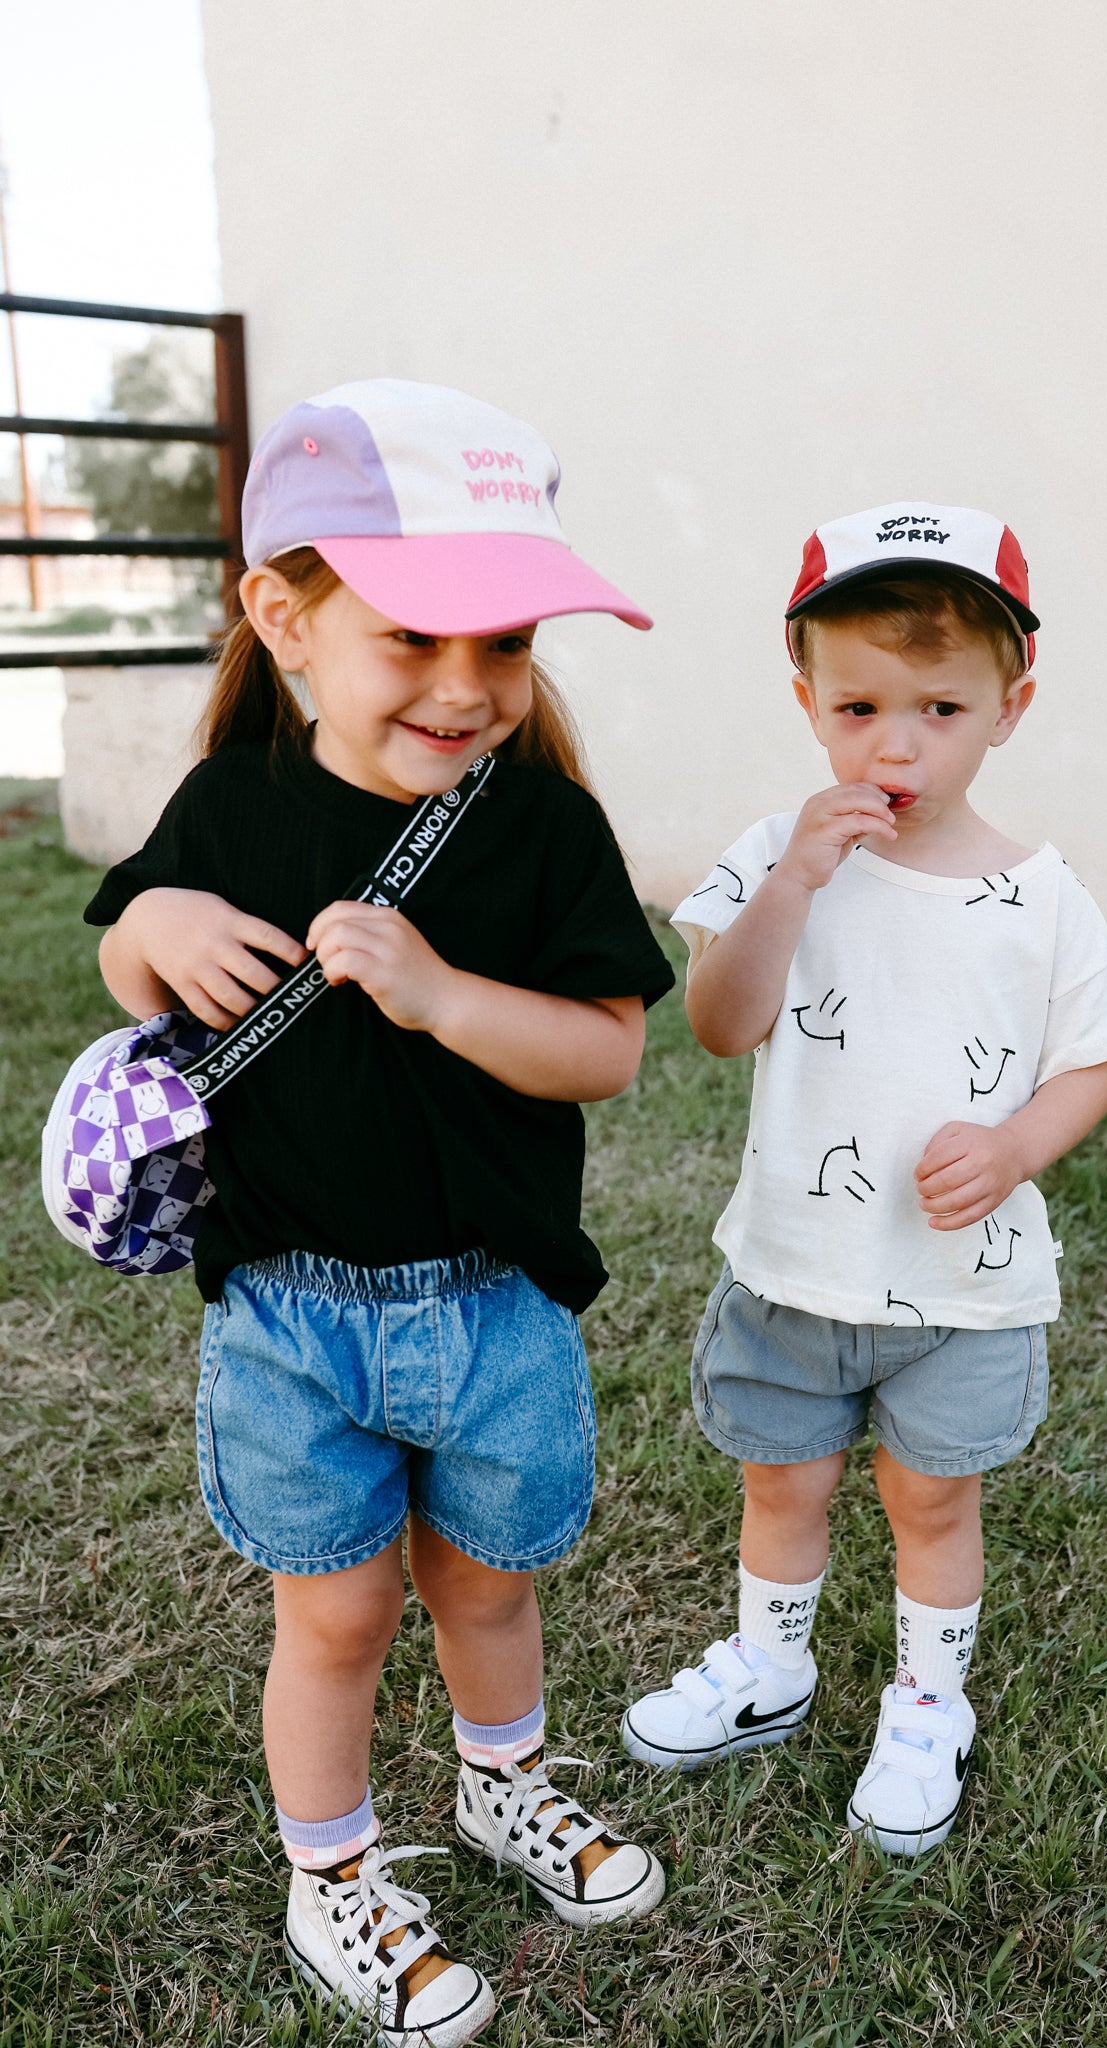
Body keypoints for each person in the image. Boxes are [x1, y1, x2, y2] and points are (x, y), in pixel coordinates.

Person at [88, 380, 674, 2045]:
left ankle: (506, 1788)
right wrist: (161, 932)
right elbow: (127, 942)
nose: (467, 686)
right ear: (283, 613)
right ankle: (332, 1870)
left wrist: (436, 996)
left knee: (487, 1587)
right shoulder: (232, 804)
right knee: (336, 1611)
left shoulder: (544, 827)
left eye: (504, 645)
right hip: (287, 1308)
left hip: (493, 1304)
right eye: (417, 636)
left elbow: (605, 1053)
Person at [621, 500, 1107, 1858]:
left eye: (938, 707)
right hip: (793, 1268)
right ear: (805, 697)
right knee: (781, 1484)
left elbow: (1092, 1058)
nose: (896, 743)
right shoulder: (772, 855)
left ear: (1008, 707)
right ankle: (770, 1661)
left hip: (957, 1287)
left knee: (932, 1498)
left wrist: (1018, 1145)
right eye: (857, 706)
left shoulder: (1042, 895)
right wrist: (793, 881)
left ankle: (928, 1702)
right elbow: (719, 1021)